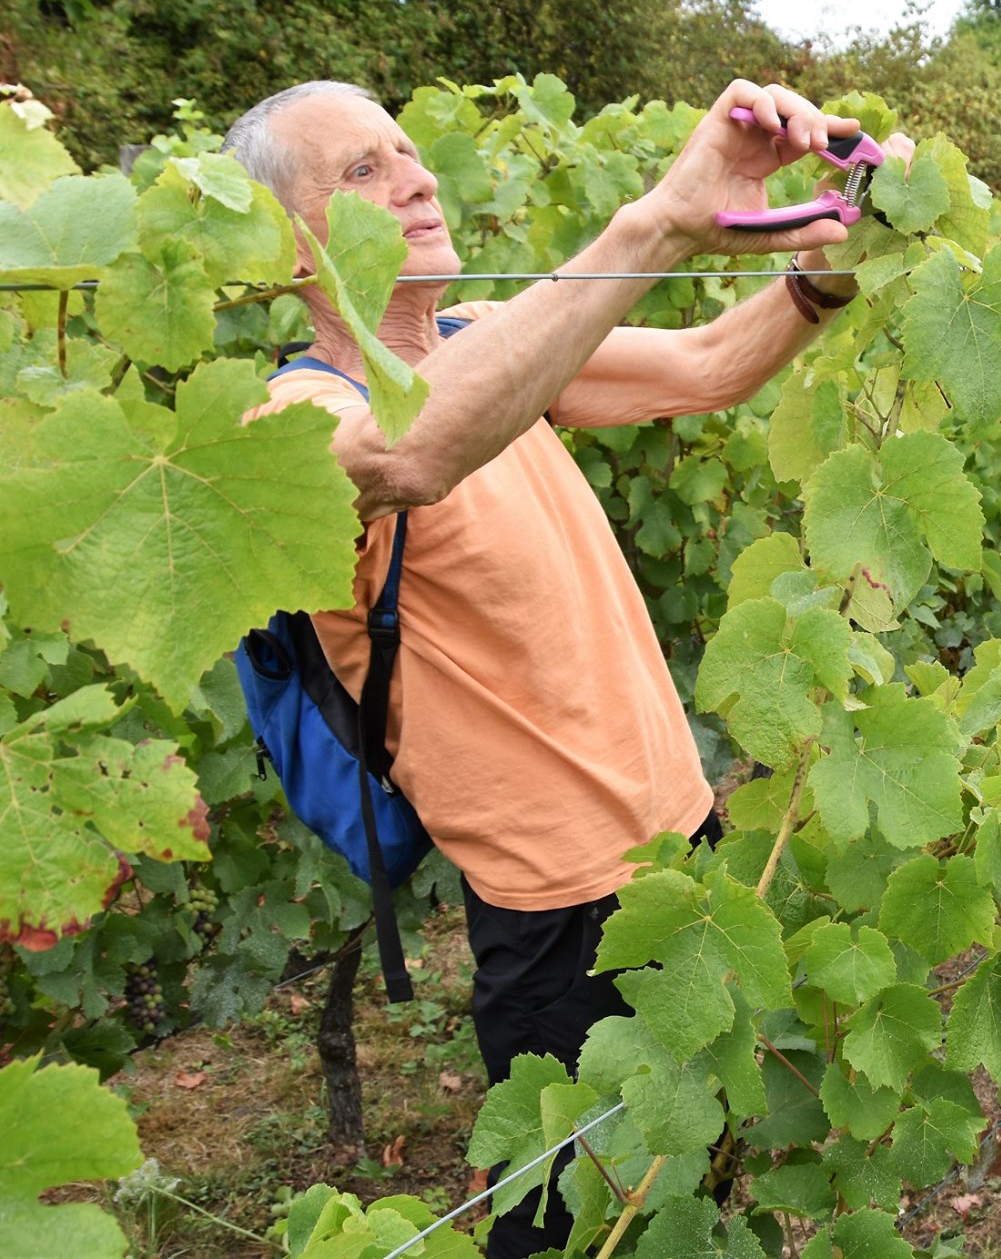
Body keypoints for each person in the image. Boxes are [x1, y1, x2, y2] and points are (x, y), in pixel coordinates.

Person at [224, 78, 913, 1258]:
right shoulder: (294, 423)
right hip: (558, 913)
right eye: (361, 172)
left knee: (681, 1180)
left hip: (674, 840)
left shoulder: (478, 345)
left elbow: (702, 365)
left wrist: (840, 259)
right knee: (571, 1228)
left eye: (407, 151)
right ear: (286, 246)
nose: (419, 178)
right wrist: (654, 220)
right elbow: (412, 451)